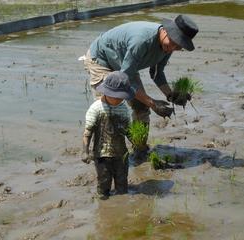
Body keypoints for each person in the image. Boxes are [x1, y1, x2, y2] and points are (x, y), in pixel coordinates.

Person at [82, 14, 199, 155]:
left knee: (141, 106)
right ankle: (103, 154)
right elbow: (125, 81)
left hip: (126, 65)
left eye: (178, 46)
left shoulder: (168, 45)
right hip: (102, 61)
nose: (173, 48)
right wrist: (153, 103)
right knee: (108, 110)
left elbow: (156, 73)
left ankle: (140, 148)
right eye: (173, 42)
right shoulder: (142, 40)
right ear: (166, 31)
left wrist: (170, 95)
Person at [82, 71, 133, 200]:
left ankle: (121, 202)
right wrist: (85, 151)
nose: (119, 100)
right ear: (106, 92)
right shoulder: (96, 109)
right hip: (102, 155)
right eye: (116, 97)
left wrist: (137, 142)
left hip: (121, 154)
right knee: (103, 184)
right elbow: (88, 132)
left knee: (122, 184)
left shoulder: (123, 108)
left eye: (122, 97)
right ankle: (104, 206)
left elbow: (129, 130)